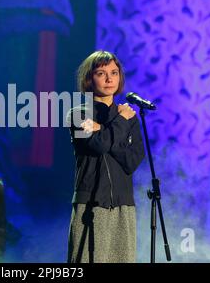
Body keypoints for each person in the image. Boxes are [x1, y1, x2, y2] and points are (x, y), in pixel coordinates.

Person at [66, 50, 145, 263]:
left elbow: (132, 160)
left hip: (123, 206)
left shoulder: (129, 117)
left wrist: (103, 128)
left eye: (114, 72)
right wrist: (117, 125)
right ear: (89, 79)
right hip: (91, 204)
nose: (110, 79)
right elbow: (98, 146)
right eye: (101, 73)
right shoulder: (78, 114)